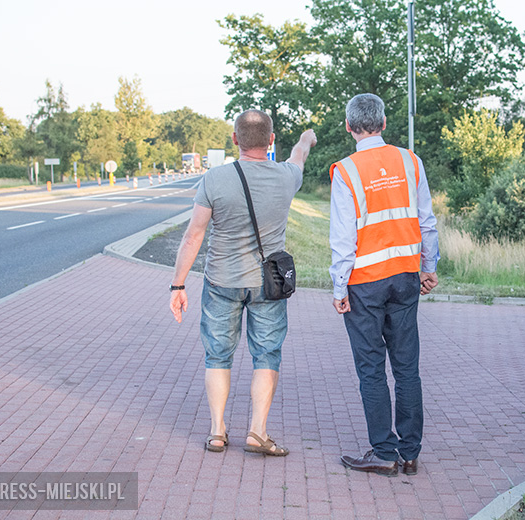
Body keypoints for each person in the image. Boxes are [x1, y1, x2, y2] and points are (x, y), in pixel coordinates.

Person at [170, 109, 316, 455]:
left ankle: (217, 431)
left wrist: (178, 285)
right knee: (266, 354)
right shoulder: (285, 176)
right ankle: (257, 431)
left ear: (235, 139)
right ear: (270, 141)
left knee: (217, 355)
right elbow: (300, 155)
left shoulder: (214, 179)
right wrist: (306, 138)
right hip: (269, 283)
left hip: (222, 281)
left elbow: (194, 236)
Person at [329, 93, 440, 476]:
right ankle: (409, 453)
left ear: (348, 126)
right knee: (407, 367)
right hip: (406, 278)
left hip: (365, 284)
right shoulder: (410, 161)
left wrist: (339, 287)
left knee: (372, 369)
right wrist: (429, 265)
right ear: (384, 122)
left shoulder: (345, 171)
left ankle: (384, 451)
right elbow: (426, 220)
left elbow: (343, 237)